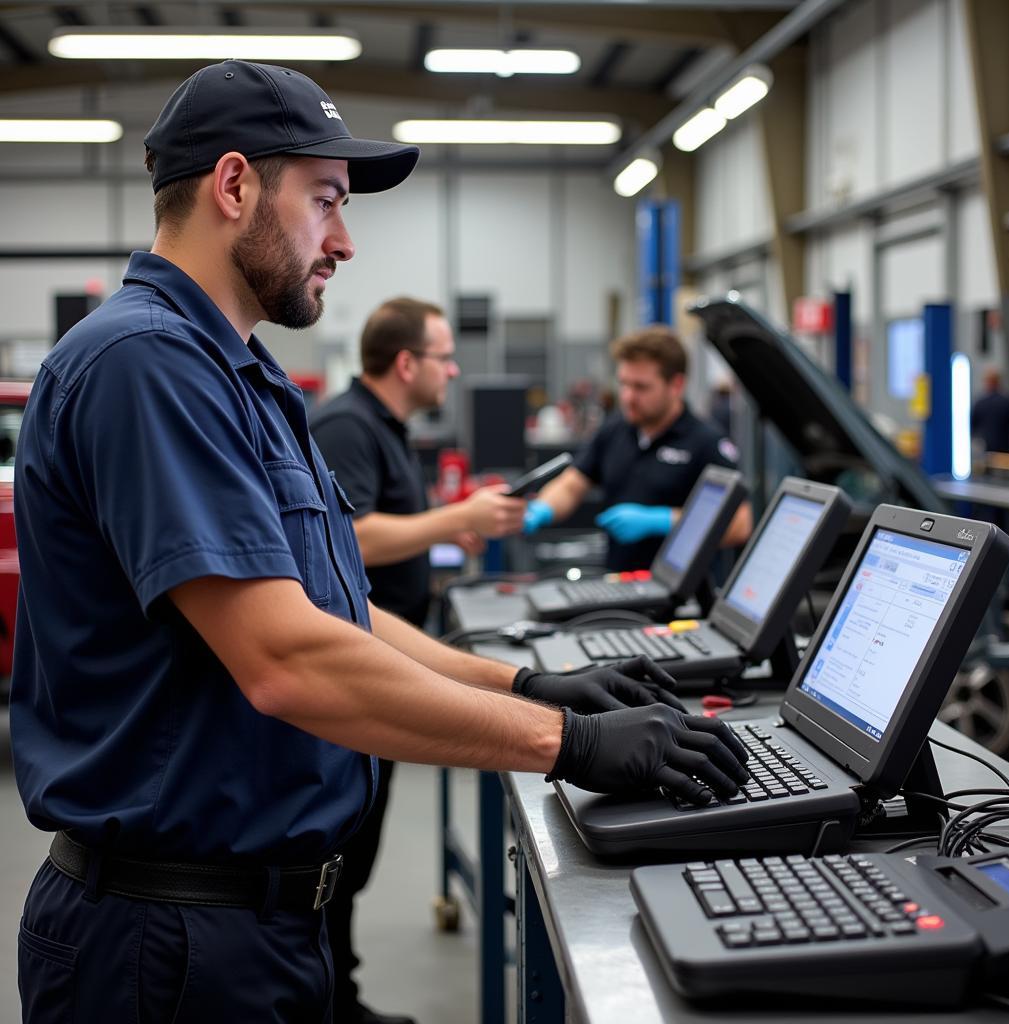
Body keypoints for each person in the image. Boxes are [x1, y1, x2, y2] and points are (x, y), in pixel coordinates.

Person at [12, 60, 748, 1024]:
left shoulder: (243, 380)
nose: (345, 241)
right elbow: (286, 659)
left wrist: (519, 685)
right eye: (325, 201)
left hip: (256, 930)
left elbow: (333, 615)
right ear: (233, 187)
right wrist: (565, 743)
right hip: (167, 947)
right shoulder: (145, 366)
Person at [309, 298, 525, 1024]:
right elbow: (353, 541)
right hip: (354, 664)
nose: (454, 370)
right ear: (407, 364)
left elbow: (388, 531)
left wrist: (441, 538)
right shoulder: (347, 426)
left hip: (384, 649)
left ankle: (343, 993)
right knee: (339, 850)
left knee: (357, 847)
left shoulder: (386, 428)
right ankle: (330, 1002)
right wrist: (457, 519)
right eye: (443, 356)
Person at [523, 325, 752, 571]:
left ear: (676, 385)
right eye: (624, 384)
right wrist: (541, 509)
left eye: (641, 387)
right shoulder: (614, 430)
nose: (628, 397)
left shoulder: (706, 442)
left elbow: (739, 524)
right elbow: (571, 485)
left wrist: (664, 521)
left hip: (682, 597)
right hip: (620, 587)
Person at [971, 365, 1009, 456]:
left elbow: (974, 427)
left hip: (986, 450)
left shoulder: (980, 403)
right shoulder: (1008, 401)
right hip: (1006, 449)